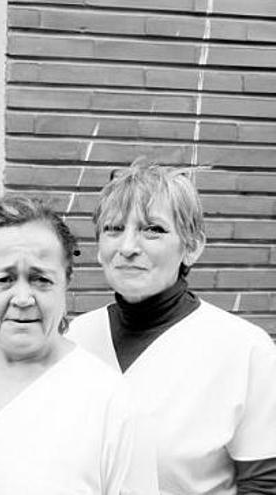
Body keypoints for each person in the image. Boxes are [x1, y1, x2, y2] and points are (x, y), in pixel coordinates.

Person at [0, 196, 157, 494]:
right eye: (4, 279)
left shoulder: (111, 402)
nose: (22, 298)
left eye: (41, 279)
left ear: (66, 283)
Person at [68, 159, 276, 494]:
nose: (128, 247)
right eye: (114, 229)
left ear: (192, 247)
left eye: (153, 229)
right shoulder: (75, 339)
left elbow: (265, 484)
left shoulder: (244, 350)